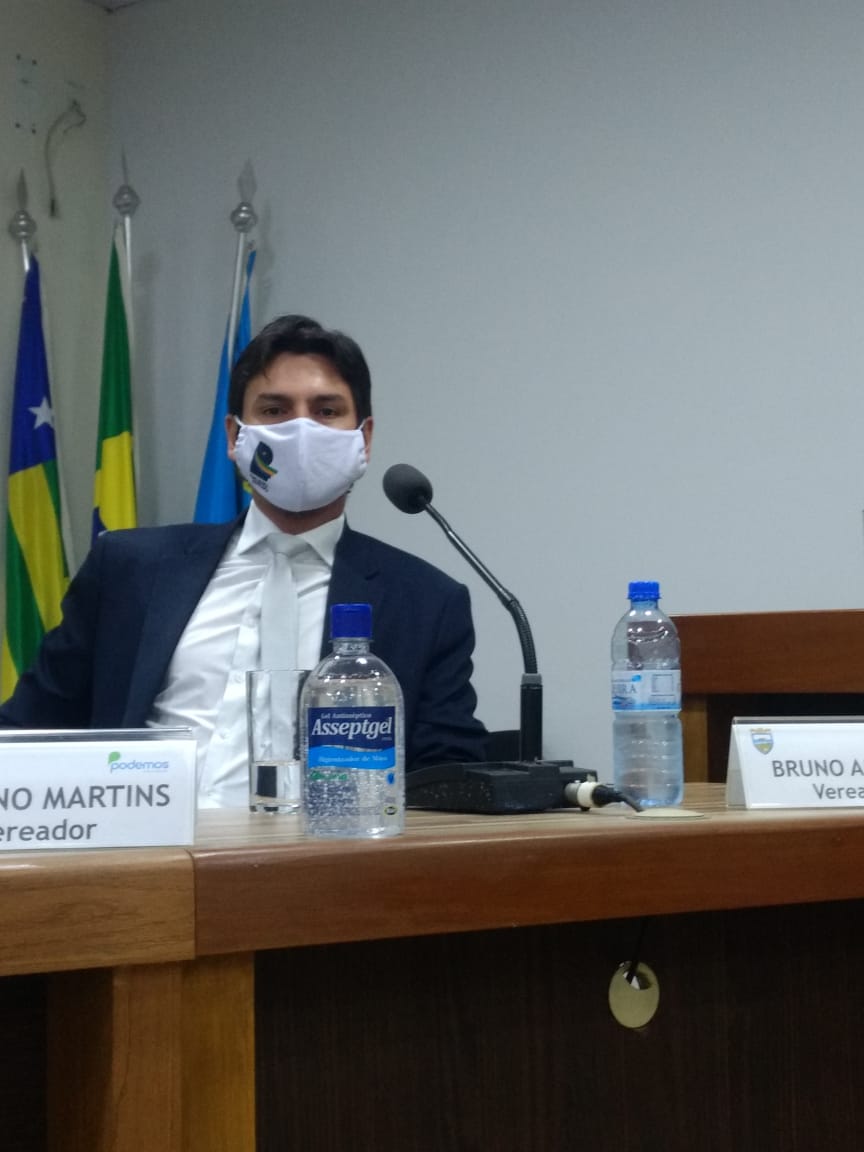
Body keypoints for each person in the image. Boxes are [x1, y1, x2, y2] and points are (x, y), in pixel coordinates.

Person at [0, 314, 488, 805]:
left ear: (363, 438)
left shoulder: (426, 602)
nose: (300, 430)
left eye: (326, 411)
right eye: (274, 410)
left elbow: (446, 778)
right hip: (143, 843)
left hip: (326, 850)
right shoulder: (130, 569)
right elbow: (28, 730)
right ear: (235, 436)